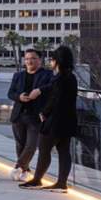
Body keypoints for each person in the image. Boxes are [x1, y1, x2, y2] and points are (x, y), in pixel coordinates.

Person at [21, 45, 78, 190]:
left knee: (44, 148)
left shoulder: (58, 78)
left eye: (52, 60)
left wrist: (44, 113)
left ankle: (37, 179)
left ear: (57, 61)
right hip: (69, 119)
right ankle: (61, 183)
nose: (51, 63)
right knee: (64, 151)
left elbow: (55, 99)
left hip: (55, 120)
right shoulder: (71, 77)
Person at [6, 47, 53, 181]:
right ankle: (25, 171)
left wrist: (39, 90)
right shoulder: (18, 75)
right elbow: (10, 93)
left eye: (33, 58)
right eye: (27, 59)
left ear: (39, 60)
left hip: (36, 116)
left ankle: (17, 167)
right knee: (20, 145)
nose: (29, 61)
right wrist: (19, 97)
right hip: (19, 115)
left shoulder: (47, 74)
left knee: (31, 145)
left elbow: (53, 87)